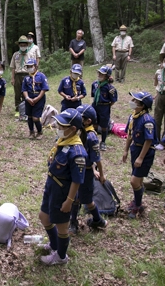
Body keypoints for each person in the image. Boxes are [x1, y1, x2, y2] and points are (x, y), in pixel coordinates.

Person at [38, 108, 87, 266]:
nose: (58, 128)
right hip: (52, 186)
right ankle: (54, 245)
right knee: (43, 217)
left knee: (62, 226)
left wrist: (69, 200)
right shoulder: (63, 142)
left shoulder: (77, 152)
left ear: (73, 129)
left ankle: (61, 256)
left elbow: (77, 180)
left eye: (61, 126)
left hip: (63, 192)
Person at [68, 104, 107, 233]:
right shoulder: (80, 131)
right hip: (78, 169)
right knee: (74, 197)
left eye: (80, 118)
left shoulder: (91, 137)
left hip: (87, 172)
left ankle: (99, 220)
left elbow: (97, 158)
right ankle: (73, 222)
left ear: (88, 121)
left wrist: (100, 174)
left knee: (87, 201)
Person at [122, 91, 157, 219]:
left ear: (142, 105)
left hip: (145, 152)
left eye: (135, 100)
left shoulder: (147, 121)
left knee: (134, 181)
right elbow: (130, 134)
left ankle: (137, 205)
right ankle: (139, 203)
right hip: (135, 149)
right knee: (139, 179)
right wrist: (126, 150)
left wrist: (141, 157)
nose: (132, 101)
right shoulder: (133, 116)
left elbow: (149, 140)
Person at [10, 35, 39, 114]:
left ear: (27, 45)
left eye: (24, 45)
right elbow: (13, 67)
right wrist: (12, 78)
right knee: (17, 93)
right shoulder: (15, 55)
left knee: (26, 92)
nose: (23, 46)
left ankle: (25, 108)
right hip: (18, 75)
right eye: (21, 45)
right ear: (19, 45)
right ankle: (18, 109)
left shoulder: (31, 54)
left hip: (27, 75)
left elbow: (34, 66)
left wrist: (34, 77)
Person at [22, 59, 50, 140]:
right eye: (28, 66)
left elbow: (44, 89)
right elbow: (24, 90)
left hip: (39, 98)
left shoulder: (41, 76)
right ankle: (31, 132)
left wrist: (37, 98)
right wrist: (27, 98)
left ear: (35, 66)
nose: (29, 68)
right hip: (28, 99)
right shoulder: (26, 78)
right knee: (29, 117)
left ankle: (40, 131)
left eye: (31, 66)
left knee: (35, 118)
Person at [91, 66, 117, 151]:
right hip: (95, 105)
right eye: (99, 73)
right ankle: (93, 140)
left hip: (104, 107)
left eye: (102, 74)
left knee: (104, 125)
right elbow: (93, 95)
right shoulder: (94, 84)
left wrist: (106, 106)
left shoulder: (110, 88)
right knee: (94, 122)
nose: (99, 75)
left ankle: (103, 142)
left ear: (107, 76)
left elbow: (113, 101)